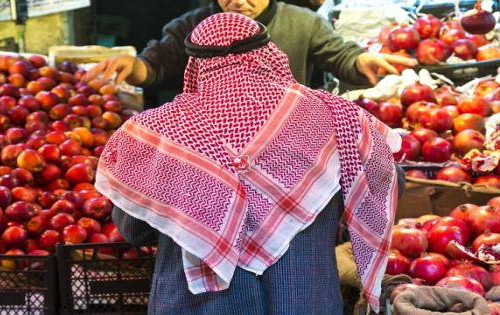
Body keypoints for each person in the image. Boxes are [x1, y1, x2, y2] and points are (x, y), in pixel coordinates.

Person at [95, 12, 404, 315]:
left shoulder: (158, 133)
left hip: (197, 306)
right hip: (305, 300)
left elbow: (133, 229)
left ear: (195, 64)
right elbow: (389, 182)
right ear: (269, 52)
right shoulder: (336, 116)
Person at [83, 0, 417, 95]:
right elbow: (157, 62)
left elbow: (340, 55)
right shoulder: (192, 24)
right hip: (214, 146)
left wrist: (362, 61)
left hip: (287, 142)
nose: (240, 2)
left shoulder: (303, 22)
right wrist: (133, 66)